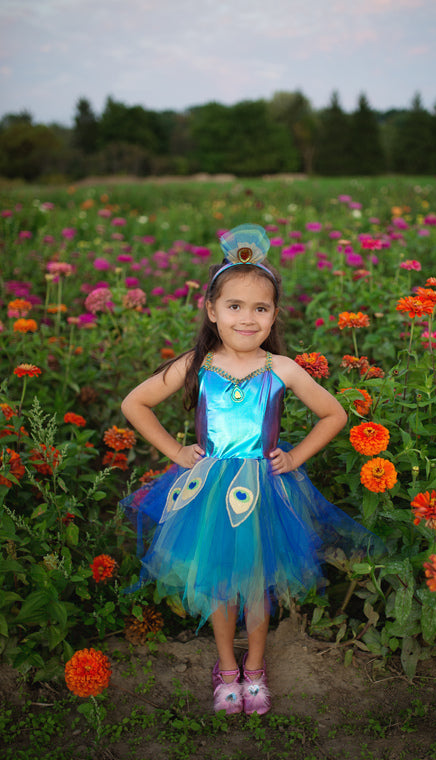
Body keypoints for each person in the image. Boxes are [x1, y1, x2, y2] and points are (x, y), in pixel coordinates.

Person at [120, 224, 384, 716]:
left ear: (274, 315)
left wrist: (296, 456)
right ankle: (226, 668)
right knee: (220, 581)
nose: (247, 318)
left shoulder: (280, 368)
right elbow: (135, 403)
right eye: (235, 306)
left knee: (257, 583)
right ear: (212, 310)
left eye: (260, 308)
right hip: (209, 489)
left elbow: (335, 415)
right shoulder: (197, 364)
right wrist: (177, 454)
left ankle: (256, 669)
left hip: (264, 490)